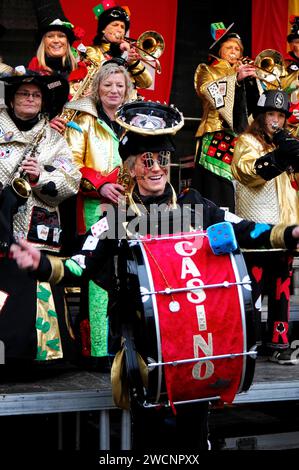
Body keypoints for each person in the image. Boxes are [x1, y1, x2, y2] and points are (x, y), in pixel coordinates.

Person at [9, 101, 299, 449]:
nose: (156, 167)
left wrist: (289, 233)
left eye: (162, 159)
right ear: (131, 168)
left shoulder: (196, 207)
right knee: (154, 441)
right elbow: (77, 267)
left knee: (194, 437)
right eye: (146, 161)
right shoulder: (116, 220)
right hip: (146, 349)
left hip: (198, 343)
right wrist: (41, 264)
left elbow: (246, 231)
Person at [0, 69, 81, 367]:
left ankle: (42, 360)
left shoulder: (53, 139)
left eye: (36, 95)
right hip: (1, 230)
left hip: (38, 232)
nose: (30, 99)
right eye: (24, 94)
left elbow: (72, 180)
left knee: (37, 294)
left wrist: (41, 177)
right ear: (11, 99)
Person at [61, 61, 133, 368]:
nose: (114, 91)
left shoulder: (135, 119)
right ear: (97, 88)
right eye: (108, 85)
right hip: (94, 207)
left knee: (126, 275)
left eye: (119, 86)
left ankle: (123, 347)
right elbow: (68, 163)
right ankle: (96, 351)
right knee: (98, 277)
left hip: (130, 209)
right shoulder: (83, 119)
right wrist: (102, 184)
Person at [231, 89, 299, 364]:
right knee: (253, 290)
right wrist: (283, 156)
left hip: (284, 226)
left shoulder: (284, 142)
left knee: (282, 290)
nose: (276, 121)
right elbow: (248, 174)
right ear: (260, 116)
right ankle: (246, 344)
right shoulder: (246, 141)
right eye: (271, 114)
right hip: (256, 227)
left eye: (280, 115)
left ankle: (279, 343)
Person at [192, 22, 258, 212]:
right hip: (217, 133)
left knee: (241, 181)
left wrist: (252, 83)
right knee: (217, 186)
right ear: (219, 50)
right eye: (229, 47)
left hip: (242, 136)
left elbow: (255, 107)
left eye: (237, 49)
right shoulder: (207, 69)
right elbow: (206, 91)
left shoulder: (246, 72)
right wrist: (235, 79)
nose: (234, 51)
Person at [85, 4, 152, 99]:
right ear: (103, 29)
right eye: (115, 25)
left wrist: (133, 62)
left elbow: (147, 83)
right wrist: (123, 58)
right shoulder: (91, 51)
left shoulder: (128, 54)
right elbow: (101, 78)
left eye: (122, 27)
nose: (120, 30)